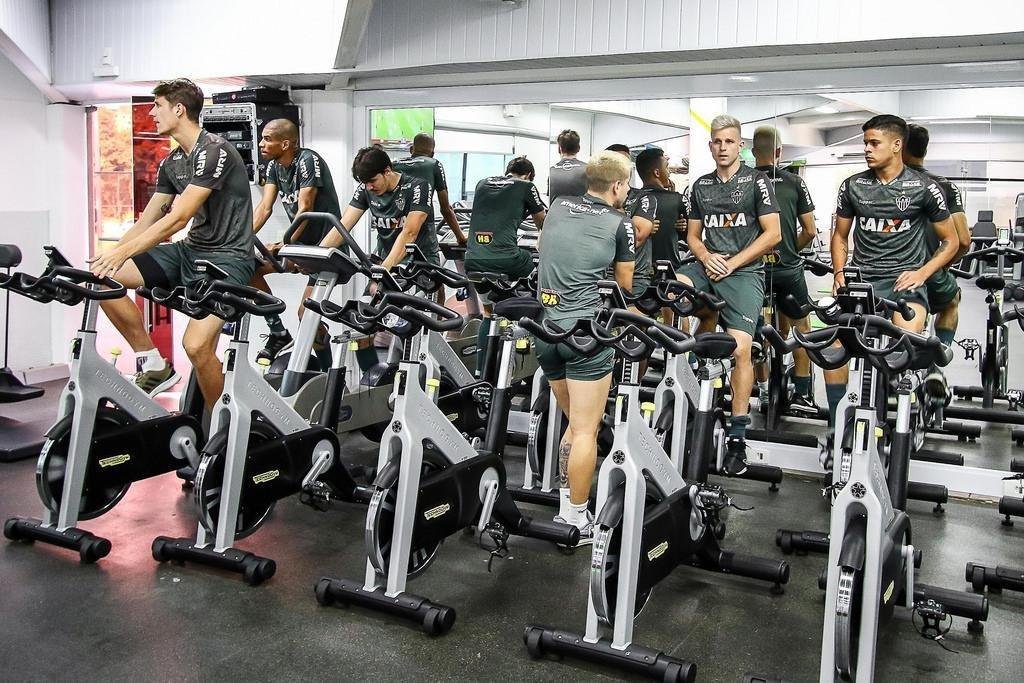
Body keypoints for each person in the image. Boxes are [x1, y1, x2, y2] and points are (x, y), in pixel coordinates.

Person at [88, 79, 254, 405]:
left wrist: (121, 252)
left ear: (179, 109)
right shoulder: (172, 162)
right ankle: (150, 360)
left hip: (228, 259)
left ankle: (222, 422)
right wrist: (109, 257)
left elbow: (177, 219)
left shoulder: (215, 151)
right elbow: (149, 222)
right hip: (188, 252)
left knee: (196, 346)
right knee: (101, 278)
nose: (151, 113)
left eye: (158, 106)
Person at [824, 114, 960, 440]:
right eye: (865, 143)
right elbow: (840, 236)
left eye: (874, 143)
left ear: (897, 145)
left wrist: (923, 272)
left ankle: (907, 415)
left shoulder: (923, 188)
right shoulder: (853, 186)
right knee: (834, 351)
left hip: (903, 285)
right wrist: (840, 272)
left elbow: (952, 240)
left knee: (907, 341)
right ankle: (836, 428)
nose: (867, 149)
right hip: (862, 282)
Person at [535, 151, 635, 543]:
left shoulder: (558, 206)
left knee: (574, 426)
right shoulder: (619, 223)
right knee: (584, 431)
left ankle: (566, 508)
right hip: (586, 334)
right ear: (616, 186)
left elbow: (545, 247)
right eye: (626, 185)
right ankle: (578, 519)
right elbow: (624, 287)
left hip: (547, 329)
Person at [676, 114, 782, 476]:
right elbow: (692, 236)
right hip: (707, 266)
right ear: (710, 146)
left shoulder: (757, 182)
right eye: (717, 142)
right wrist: (705, 256)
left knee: (740, 350)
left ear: (741, 145)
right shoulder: (700, 186)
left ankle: (738, 438)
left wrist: (732, 263)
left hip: (743, 272)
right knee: (674, 292)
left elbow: (773, 235)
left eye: (729, 142)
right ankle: (685, 390)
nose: (722, 147)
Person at [318, 147, 433, 372]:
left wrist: (384, 269)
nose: (369, 187)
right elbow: (343, 225)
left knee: (411, 332)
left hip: (419, 267)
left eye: (372, 180)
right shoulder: (366, 189)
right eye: (364, 183)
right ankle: (373, 378)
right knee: (361, 320)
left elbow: (409, 232)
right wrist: (319, 254)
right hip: (386, 265)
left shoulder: (417, 187)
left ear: (387, 170)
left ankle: (417, 379)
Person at [250, 118, 341, 362]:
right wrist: (241, 236)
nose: (261, 144)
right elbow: (264, 208)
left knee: (306, 316)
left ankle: (329, 376)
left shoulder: (307, 161)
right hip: (299, 245)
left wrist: (284, 243)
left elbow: (305, 207)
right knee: (251, 270)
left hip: (323, 248)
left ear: (286, 143)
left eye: (267, 139)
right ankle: (278, 331)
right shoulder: (273, 167)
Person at [750, 125, 820, 414]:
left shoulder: (745, 182)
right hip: (787, 268)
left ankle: (765, 392)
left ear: (752, 152)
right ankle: (802, 394)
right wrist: (791, 246)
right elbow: (811, 231)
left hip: (754, 270)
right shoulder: (794, 182)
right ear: (779, 152)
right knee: (802, 329)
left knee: (757, 334)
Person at [902, 123, 972, 398]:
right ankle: (935, 365)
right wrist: (941, 266)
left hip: (889, 272)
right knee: (951, 302)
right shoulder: (944, 186)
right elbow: (963, 240)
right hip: (931, 270)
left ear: (901, 146)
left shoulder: (884, 183)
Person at [464, 156, 547, 372]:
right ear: (529, 175)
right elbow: (543, 225)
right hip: (508, 261)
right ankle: (535, 361)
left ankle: (481, 371)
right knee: (539, 284)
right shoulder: (527, 186)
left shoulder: (483, 182)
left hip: (472, 262)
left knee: (489, 314)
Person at [393, 133, 468, 247]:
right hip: (423, 234)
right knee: (428, 263)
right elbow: (446, 208)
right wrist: (460, 237)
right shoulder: (433, 164)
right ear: (432, 154)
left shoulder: (393, 165)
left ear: (411, 149)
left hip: (392, 233)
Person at [622, 149, 661, 297]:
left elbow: (636, 237)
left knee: (632, 318)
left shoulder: (642, 197)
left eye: (625, 162)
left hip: (636, 276)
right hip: (600, 275)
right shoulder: (596, 202)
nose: (622, 166)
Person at [548, 129, 587, 201]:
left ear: (559, 149)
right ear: (578, 148)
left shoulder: (551, 171)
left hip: (556, 212)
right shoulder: (588, 169)